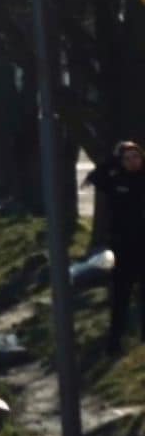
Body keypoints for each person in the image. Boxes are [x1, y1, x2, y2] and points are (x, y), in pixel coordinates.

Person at [86, 140, 145, 355]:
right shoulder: (115, 180)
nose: (133, 162)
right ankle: (114, 344)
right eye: (127, 159)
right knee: (122, 296)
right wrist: (112, 159)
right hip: (124, 246)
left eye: (136, 157)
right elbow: (95, 178)